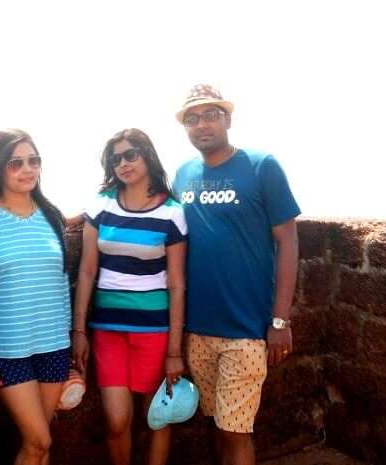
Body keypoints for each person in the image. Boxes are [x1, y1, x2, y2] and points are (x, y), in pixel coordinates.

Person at [172, 84, 300, 465]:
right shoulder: (183, 175)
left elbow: (288, 242)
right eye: (192, 119)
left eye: (211, 115)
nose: (202, 125)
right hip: (198, 329)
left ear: (228, 118)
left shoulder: (261, 166)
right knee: (217, 423)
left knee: (236, 430)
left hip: (245, 329)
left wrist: (280, 319)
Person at [72, 128, 188, 465]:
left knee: (157, 418)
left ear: (147, 155)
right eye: (115, 158)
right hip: (108, 332)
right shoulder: (102, 205)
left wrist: (174, 351)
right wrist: (79, 332)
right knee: (117, 420)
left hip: (154, 332)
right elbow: (86, 271)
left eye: (130, 155)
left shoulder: (171, 213)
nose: (123, 163)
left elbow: (177, 284)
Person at [0, 129, 71, 465]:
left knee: (44, 445)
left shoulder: (51, 216)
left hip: (53, 346)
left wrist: (70, 339)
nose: (27, 169)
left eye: (33, 161)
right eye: (16, 163)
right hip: (7, 351)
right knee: (37, 440)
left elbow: (61, 283)